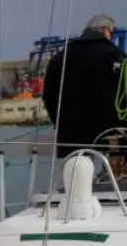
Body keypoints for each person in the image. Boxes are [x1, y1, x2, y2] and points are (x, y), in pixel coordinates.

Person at [42, 14, 127, 161]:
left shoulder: (59, 59)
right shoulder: (117, 57)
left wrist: (59, 121)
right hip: (112, 134)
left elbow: (49, 95)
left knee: (77, 173)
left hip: (71, 134)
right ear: (104, 30)